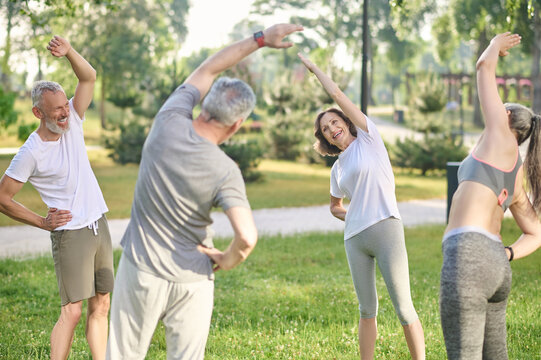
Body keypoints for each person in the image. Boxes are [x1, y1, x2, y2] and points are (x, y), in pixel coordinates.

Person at [106, 23, 303, 360]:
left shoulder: (168, 120)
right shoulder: (226, 170)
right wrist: (225, 260)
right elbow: (247, 237)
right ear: (237, 124)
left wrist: (259, 39)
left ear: (205, 104)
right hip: (194, 278)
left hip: (141, 269)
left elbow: (210, 67)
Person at [298, 53, 425, 360]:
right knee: (367, 310)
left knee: (404, 307)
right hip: (355, 238)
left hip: (386, 228)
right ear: (325, 138)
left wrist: (315, 70)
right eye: (326, 129)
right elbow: (334, 206)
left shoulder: (369, 138)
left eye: (334, 121)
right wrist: (352, 214)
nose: (331, 129)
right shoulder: (337, 168)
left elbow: (337, 95)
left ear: (346, 121)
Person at [0, 36, 112, 360]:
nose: (65, 113)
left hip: (98, 222)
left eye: (66, 106)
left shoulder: (74, 118)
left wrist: (69, 53)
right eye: (57, 110)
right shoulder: (30, 152)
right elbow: (3, 197)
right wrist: (42, 222)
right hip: (70, 232)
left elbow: (88, 77)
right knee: (72, 312)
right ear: (38, 112)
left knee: (101, 303)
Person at [440, 32, 541, 360]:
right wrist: (506, 254)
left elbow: (484, 67)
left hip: (466, 258)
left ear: (506, 117)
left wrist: (495, 45)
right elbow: (536, 232)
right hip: (496, 265)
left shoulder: (500, 135)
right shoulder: (516, 173)